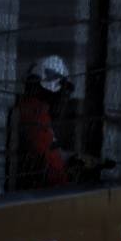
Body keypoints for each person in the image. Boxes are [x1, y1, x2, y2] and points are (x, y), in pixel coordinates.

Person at [13, 56, 75, 189]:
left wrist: (73, 158)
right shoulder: (37, 114)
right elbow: (52, 167)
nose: (64, 101)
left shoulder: (33, 112)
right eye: (63, 94)